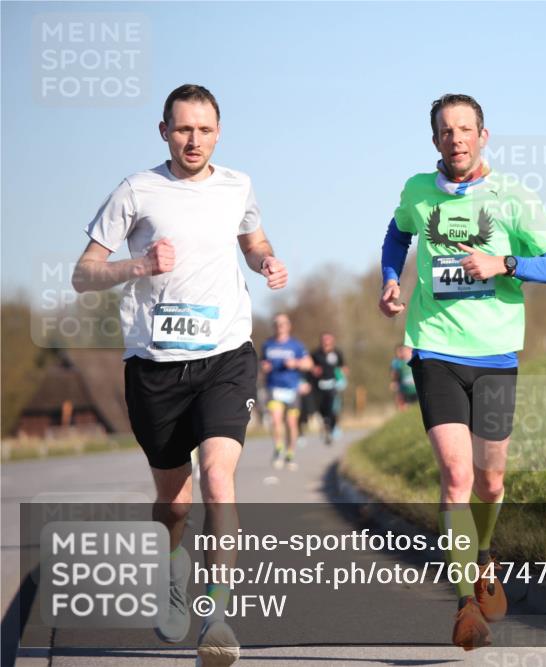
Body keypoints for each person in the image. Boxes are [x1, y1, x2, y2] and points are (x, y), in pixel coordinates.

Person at [72, 83, 287, 667]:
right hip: (155, 367)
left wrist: (265, 260)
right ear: (164, 131)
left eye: (205, 129)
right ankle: (172, 572)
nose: (194, 140)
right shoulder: (136, 191)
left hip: (226, 355)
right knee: (173, 503)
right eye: (184, 129)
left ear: (219, 133)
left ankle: (216, 617)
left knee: (218, 479)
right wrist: (139, 264)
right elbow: (83, 274)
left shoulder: (237, 185)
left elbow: (253, 238)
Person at [378, 94, 546, 650]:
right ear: (435, 139)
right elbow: (397, 234)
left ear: (483, 136)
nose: (456, 139)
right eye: (446, 131)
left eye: (466, 129)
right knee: (456, 474)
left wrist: (504, 263)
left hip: (495, 356)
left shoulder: (513, 197)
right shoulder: (418, 191)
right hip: (434, 349)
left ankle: (484, 555)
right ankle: (466, 602)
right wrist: (390, 279)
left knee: (491, 480)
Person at [261, 313, 312, 470]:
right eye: (277, 323)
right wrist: (264, 367)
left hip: (292, 389)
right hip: (274, 387)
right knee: (276, 420)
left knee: (291, 423)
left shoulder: (296, 345)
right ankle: (278, 449)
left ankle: (290, 453)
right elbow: (262, 363)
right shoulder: (267, 344)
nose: (280, 326)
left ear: (289, 326)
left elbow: (309, 364)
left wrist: (295, 363)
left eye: (283, 323)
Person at [309, 332, 348, 444]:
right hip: (319, 386)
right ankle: (326, 425)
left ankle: (333, 427)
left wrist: (343, 376)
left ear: (332, 341)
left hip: (333, 385)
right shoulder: (315, 354)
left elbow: (343, 367)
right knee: (321, 409)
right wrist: (313, 370)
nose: (326, 342)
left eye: (328, 340)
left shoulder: (337, 353)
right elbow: (309, 367)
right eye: (324, 340)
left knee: (333, 408)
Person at [389, 345, 418, 410]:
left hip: (416, 389)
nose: (403, 353)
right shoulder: (397, 363)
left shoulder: (415, 359)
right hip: (405, 390)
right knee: (405, 406)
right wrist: (394, 381)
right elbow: (394, 374)